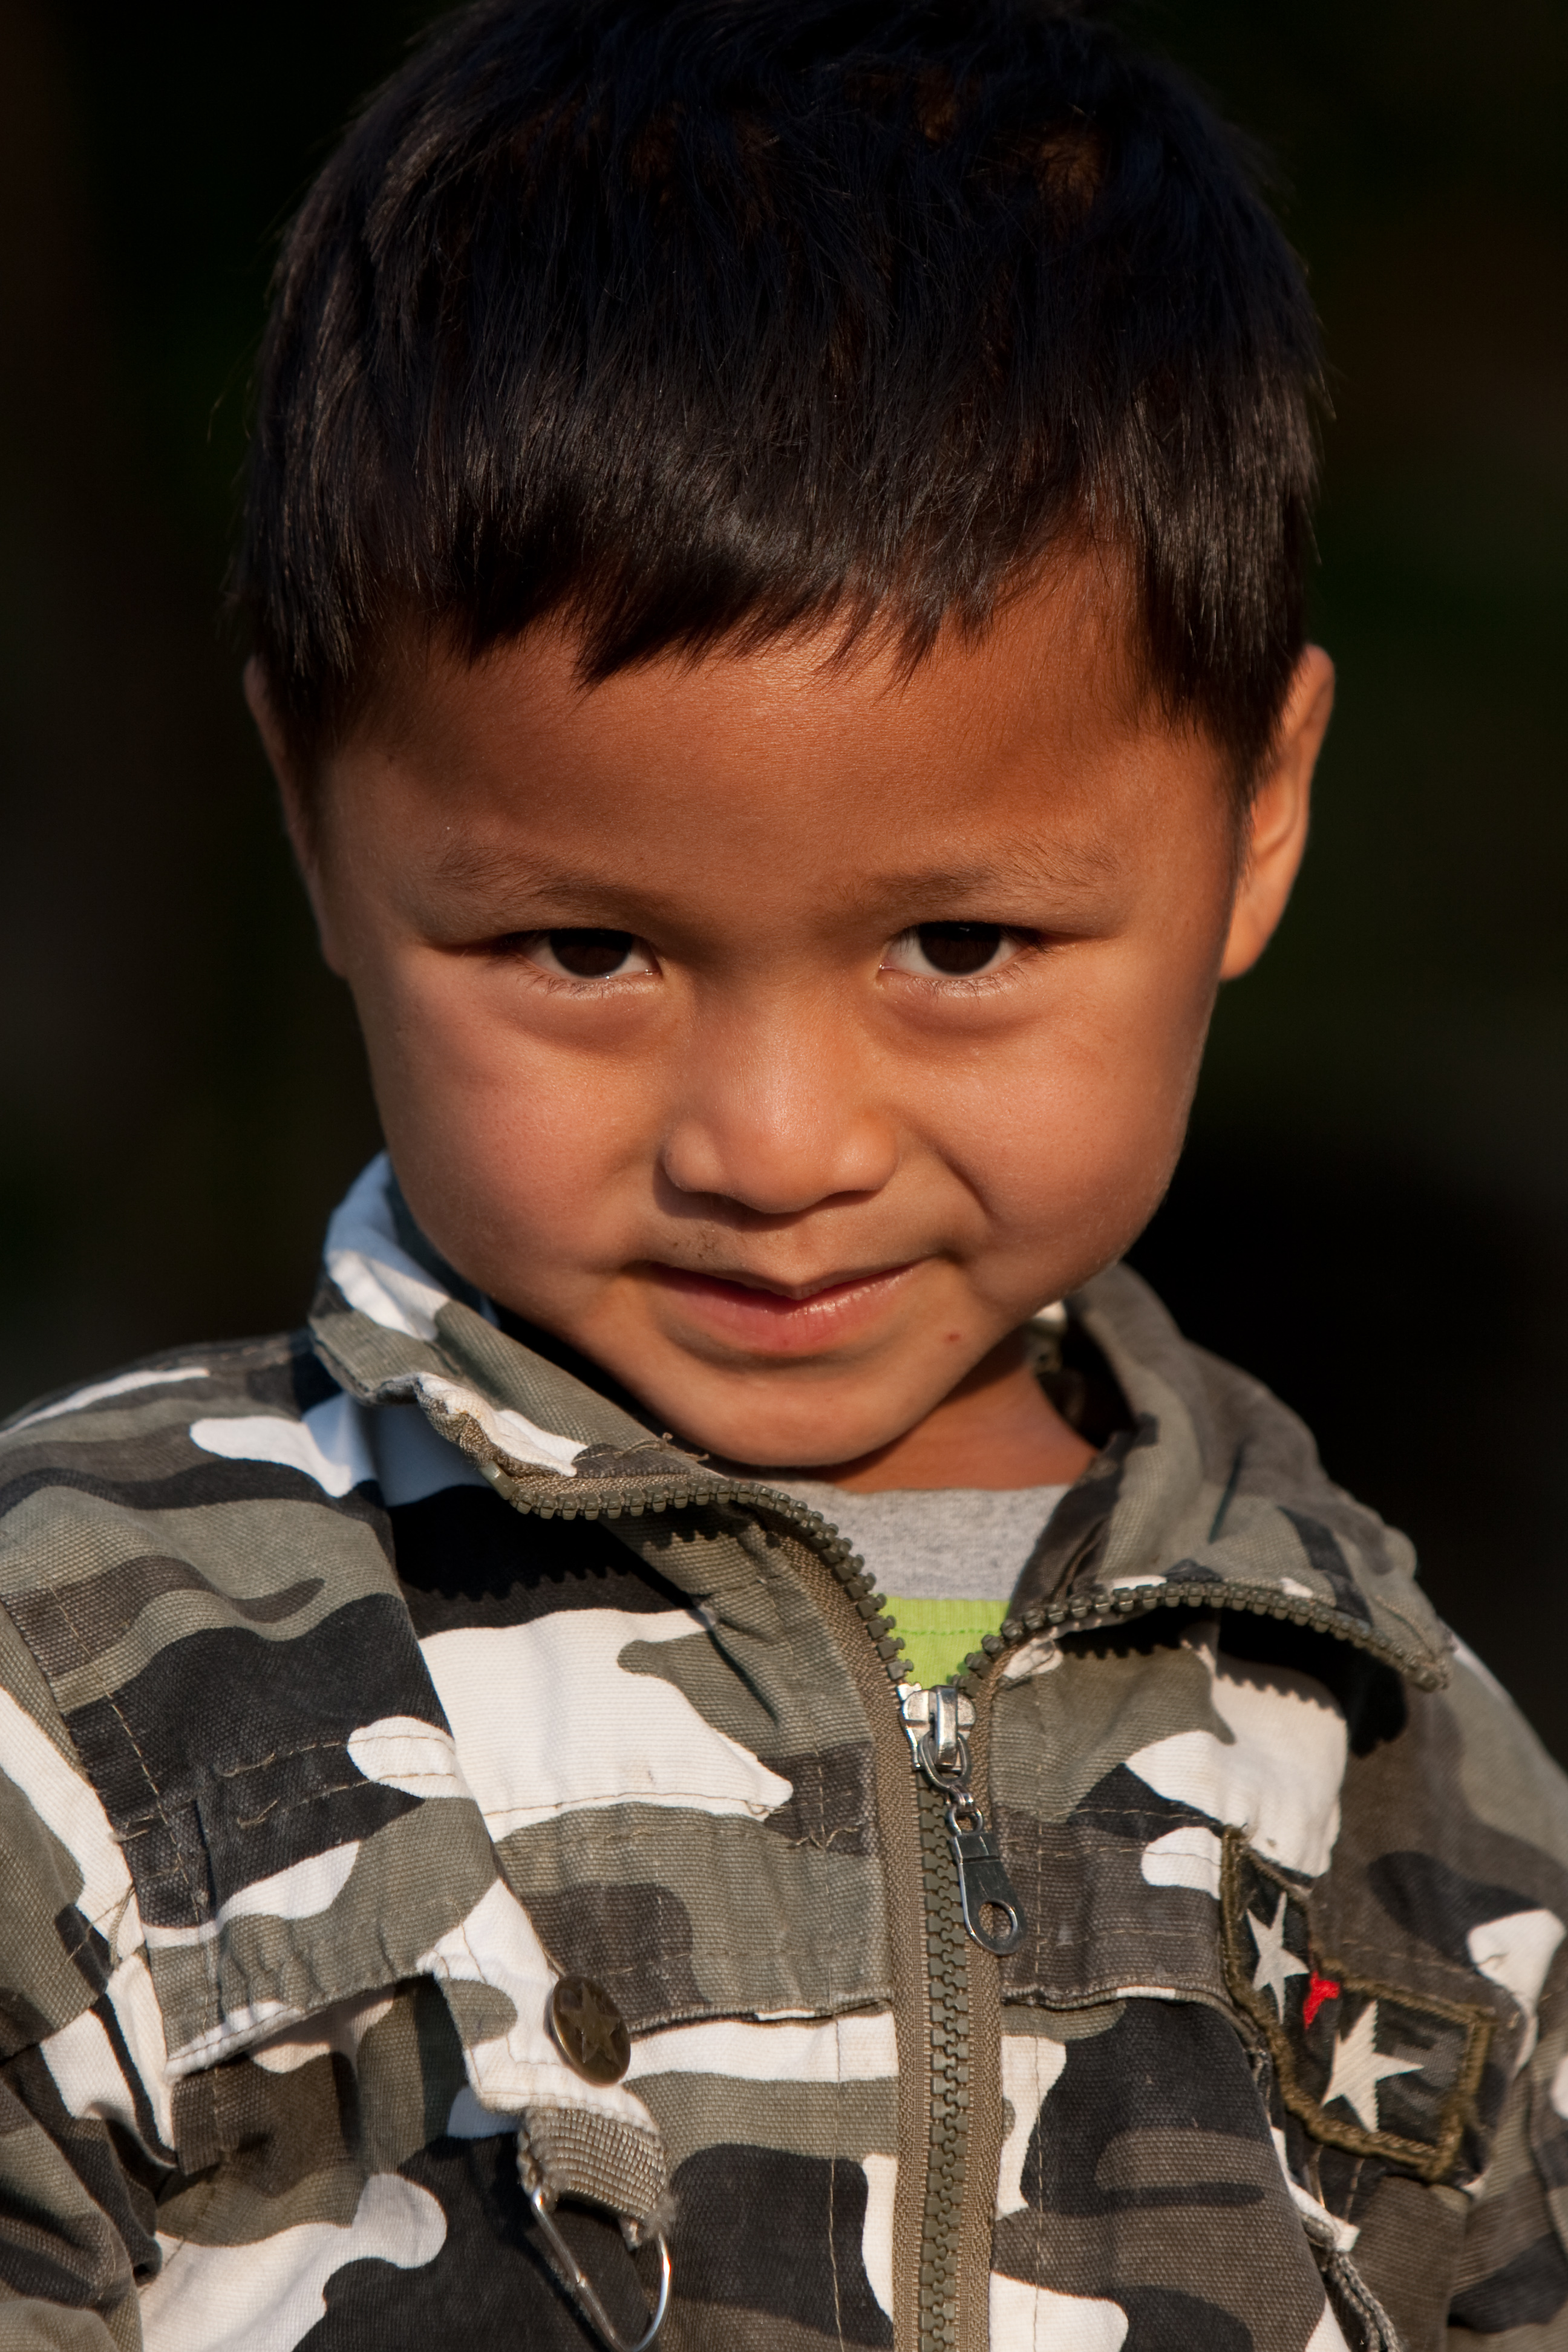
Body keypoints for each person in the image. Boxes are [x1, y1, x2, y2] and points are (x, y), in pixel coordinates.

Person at [2, 2, 1565, 2346]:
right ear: (317, 820)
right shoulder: (81, 1691)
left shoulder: (1404, 1764)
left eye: (959, 943)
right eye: (583, 946)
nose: (776, 1145)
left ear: (1257, 822)